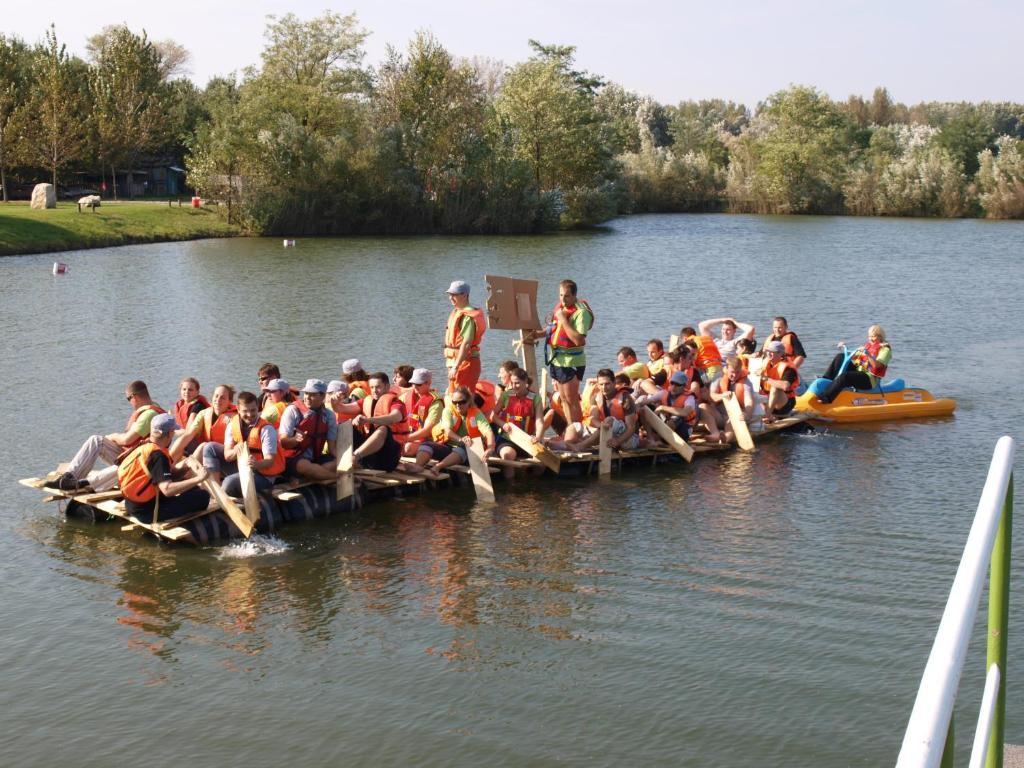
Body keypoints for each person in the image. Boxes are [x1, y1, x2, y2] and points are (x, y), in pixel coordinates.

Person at [46, 380, 166, 492]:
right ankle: (69, 477)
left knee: (122, 465)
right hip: (132, 455)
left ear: (134, 397)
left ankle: (84, 484)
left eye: (128, 399)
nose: (129, 402)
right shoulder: (153, 406)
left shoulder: (149, 414)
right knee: (96, 440)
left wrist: (112, 436)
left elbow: (126, 440)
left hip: (143, 463)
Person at [117, 413, 210, 523]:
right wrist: (199, 479)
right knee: (203, 497)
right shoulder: (158, 456)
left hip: (132, 504)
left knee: (193, 489)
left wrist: (185, 467)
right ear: (170, 434)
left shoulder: (145, 446)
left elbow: (164, 474)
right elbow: (167, 490)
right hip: (147, 512)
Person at [530, 279, 594, 426]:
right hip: (557, 359)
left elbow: (579, 340)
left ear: (574, 295)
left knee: (571, 399)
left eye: (566, 296)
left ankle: (578, 432)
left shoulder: (581, 313)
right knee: (563, 398)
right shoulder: (561, 308)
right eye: (560, 295)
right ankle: (571, 428)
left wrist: (563, 319)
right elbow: (554, 328)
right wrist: (538, 334)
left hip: (572, 361)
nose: (563, 300)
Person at [407, 386, 496, 476]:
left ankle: (438, 467)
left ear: (468, 401)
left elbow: (488, 432)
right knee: (426, 445)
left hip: (470, 453)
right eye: (455, 402)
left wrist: (490, 448)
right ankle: (418, 466)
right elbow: (447, 431)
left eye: (462, 402)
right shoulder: (448, 411)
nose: (458, 405)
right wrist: (461, 439)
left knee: (465, 448)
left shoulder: (477, 414)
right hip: (449, 447)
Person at [221, 391, 285, 496]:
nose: (250, 415)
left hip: (263, 475)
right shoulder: (232, 424)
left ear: (258, 408)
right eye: (245, 411)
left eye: (253, 410)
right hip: (242, 465)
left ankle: (231, 493)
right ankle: (216, 493)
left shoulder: (266, 429)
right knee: (210, 448)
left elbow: (269, 461)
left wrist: (256, 465)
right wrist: (236, 451)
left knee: (228, 483)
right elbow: (227, 456)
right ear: (238, 409)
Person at [279, 379, 338, 481]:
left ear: (323, 396)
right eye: (306, 393)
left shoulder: (328, 415)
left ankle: (314, 474)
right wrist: (295, 439)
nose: (307, 398)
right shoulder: (292, 411)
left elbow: (332, 448)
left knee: (348, 462)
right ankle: (339, 478)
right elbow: (283, 442)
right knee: (304, 466)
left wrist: (345, 459)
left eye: (312, 395)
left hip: (315, 458)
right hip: (294, 459)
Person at [818, 325, 893, 403]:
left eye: (873, 336)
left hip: (869, 379)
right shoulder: (869, 345)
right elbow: (854, 356)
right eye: (869, 336)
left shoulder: (885, 349)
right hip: (859, 371)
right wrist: (844, 347)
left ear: (880, 336)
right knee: (840, 357)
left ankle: (825, 398)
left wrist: (868, 354)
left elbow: (876, 365)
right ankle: (825, 382)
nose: (871, 339)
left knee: (845, 377)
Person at [493, 367, 544, 478]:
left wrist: (538, 437)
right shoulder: (506, 395)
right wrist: (503, 424)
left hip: (528, 439)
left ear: (525, 381)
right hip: (508, 439)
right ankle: (511, 488)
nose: (514, 386)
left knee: (540, 462)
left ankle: (535, 487)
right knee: (508, 455)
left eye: (517, 383)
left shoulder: (536, 398)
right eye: (512, 383)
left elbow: (539, 421)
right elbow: (493, 416)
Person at [351, 372, 407, 472]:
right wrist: (335, 403)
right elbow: (341, 408)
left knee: (383, 428)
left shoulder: (396, 403)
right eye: (372, 387)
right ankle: (343, 459)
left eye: (378, 387)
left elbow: (394, 417)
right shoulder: (367, 401)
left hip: (387, 460)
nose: (374, 391)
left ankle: (355, 456)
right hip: (369, 458)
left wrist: (368, 420)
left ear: (387, 387)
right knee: (347, 426)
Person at [443, 280, 486, 392]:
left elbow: (466, 343)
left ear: (465, 295)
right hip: (455, 361)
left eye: (454, 295)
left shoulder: (468, 316)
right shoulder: (457, 312)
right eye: (450, 294)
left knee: (463, 398)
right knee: (453, 396)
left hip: (465, 362)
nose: (450, 297)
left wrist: (456, 366)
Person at [183, 384, 237, 465]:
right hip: (207, 451)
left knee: (206, 446)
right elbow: (188, 434)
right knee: (187, 439)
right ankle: (172, 463)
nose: (218, 400)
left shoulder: (235, 418)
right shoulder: (204, 413)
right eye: (216, 396)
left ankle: (187, 468)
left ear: (230, 401)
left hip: (225, 455)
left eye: (222, 398)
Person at [708, 358, 756, 442]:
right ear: (726, 369)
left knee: (731, 424)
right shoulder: (718, 377)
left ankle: (725, 438)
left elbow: (749, 401)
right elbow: (712, 396)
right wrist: (723, 396)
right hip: (719, 415)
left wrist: (747, 414)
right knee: (703, 407)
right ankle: (715, 433)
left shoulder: (746, 382)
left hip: (734, 416)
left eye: (737, 372)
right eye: (732, 372)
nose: (735, 375)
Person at [399, 368, 445, 455]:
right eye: (413, 383)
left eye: (418, 384)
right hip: (409, 436)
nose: (414, 386)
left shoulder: (436, 402)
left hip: (427, 439)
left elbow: (427, 431)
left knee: (407, 448)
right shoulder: (406, 397)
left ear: (428, 383)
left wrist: (404, 439)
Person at [760, 340, 800, 421]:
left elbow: (785, 386)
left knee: (776, 387)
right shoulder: (765, 364)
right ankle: (762, 413)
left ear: (780, 354)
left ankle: (767, 415)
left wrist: (765, 378)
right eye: (768, 351)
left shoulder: (788, 368)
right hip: (768, 401)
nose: (769, 354)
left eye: (773, 352)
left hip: (785, 403)